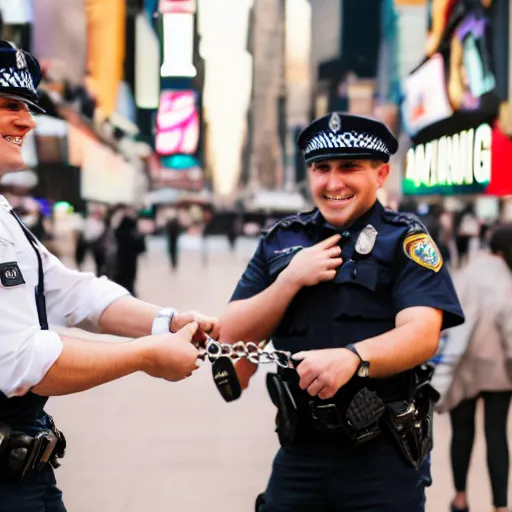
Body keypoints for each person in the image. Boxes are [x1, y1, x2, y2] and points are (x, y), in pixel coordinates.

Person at [0, 40, 217, 511]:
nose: (28, 121)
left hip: (25, 474)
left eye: (28, 106)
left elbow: (68, 291)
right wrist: (144, 355)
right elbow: (20, 362)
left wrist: (168, 321)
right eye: (9, 106)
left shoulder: (2, 211)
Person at [219, 112, 465, 511]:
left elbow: (423, 334)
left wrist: (354, 359)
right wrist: (289, 281)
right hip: (300, 454)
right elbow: (230, 334)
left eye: (349, 167)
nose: (334, 183)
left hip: (382, 457)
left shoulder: (405, 239)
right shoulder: (281, 241)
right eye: (322, 168)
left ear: (381, 174)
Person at [437, 224, 512, 512]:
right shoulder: (506, 279)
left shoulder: (467, 273)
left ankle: (460, 497)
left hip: (464, 367)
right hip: (500, 372)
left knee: (462, 433)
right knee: (496, 434)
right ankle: (500, 506)